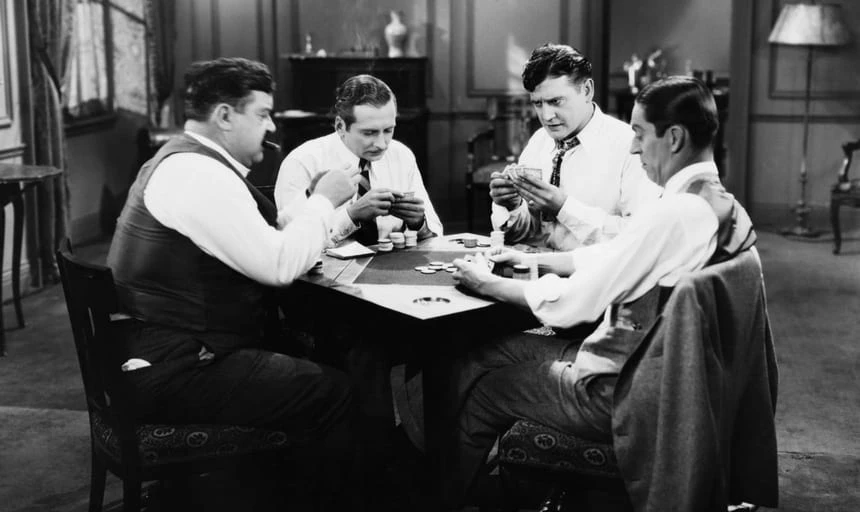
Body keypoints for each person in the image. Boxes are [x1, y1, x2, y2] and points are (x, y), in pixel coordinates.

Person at [447, 76, 757, 507]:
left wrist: (490, 285)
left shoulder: (676, 212)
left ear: (674, 138)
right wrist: (534, 262)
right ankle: (443, 474)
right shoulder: (714, 203)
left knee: (487, 390)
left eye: (640, 133)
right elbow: (620, 256)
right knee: (480, 354)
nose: (633, 147)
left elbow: (578, 303)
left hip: (631, 386)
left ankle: (437, 493)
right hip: (662, 368)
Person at [106, 57, 361, 509]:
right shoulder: (197, 174)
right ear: (225, 116)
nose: (269, 127)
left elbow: (273, 238)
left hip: (162, 352)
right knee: (334, 389)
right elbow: (280, 266)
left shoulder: (187, 162)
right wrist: (323, 201)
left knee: (321, 352)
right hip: (175, 368)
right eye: (261, 114)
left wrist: (320, 210)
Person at [490, 43, 660, 250]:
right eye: (538, 103)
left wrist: (563, 207)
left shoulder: (629, 147)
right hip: (538, 273)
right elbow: (526, 234)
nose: (546, 116)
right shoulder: (538, 141)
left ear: (587, 90)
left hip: (598, 278)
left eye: (556, 101)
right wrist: (512, 206)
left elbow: (638, 238)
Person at [275, 74, 443, 245]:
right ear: (340, 126)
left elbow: (435, 231)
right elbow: (291, 245)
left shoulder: (401, 155)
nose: (381, 144)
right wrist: (351, 215)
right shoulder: (303, 162)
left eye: (388, 130)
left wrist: (419, 223)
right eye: (369, 133)